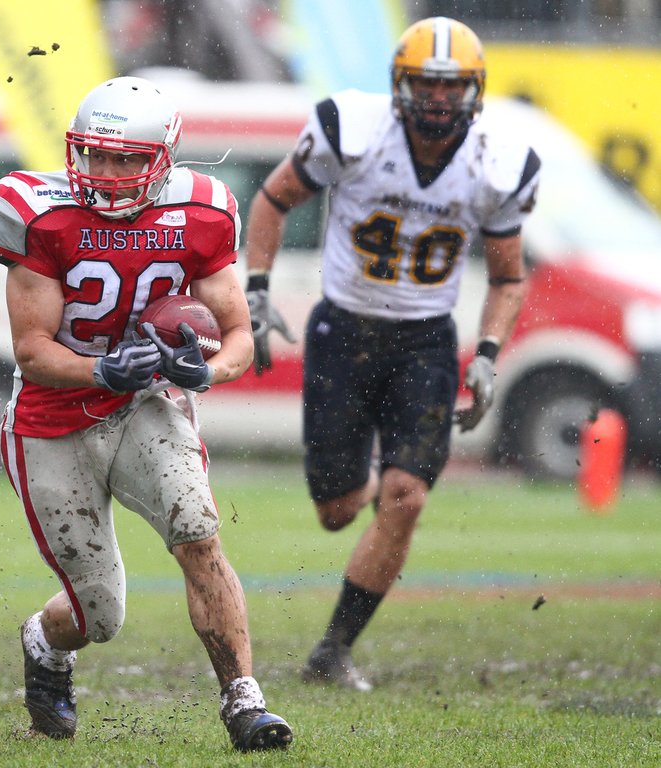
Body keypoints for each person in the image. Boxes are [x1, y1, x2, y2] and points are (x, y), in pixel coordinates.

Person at [0, 76, 292, 751]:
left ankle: (245, 702)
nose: (105, 172)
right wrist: (98, 368)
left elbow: (237, 335)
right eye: (94, 154)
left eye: (126, 159)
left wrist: (206, 372)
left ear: (163, 160)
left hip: (144, 403)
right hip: (52, 421)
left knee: (198, 534)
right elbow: (32, 349)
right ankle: (44, 643)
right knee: (100, 614)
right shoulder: (38, 215)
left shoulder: (201, 212)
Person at [244, 17, 540, 690]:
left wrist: (488, 352)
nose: (439, 98)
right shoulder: (353, 130)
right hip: (343, 330)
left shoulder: (495, 164)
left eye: (452, 86)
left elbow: (507, 276)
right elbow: (273, 199)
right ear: (399, 84)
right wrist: (257, 289)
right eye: (426, 84)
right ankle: (388, 479)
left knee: (407, 499)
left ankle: (333, 651)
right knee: (337, 511)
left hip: (424, 339)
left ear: (474, 90)